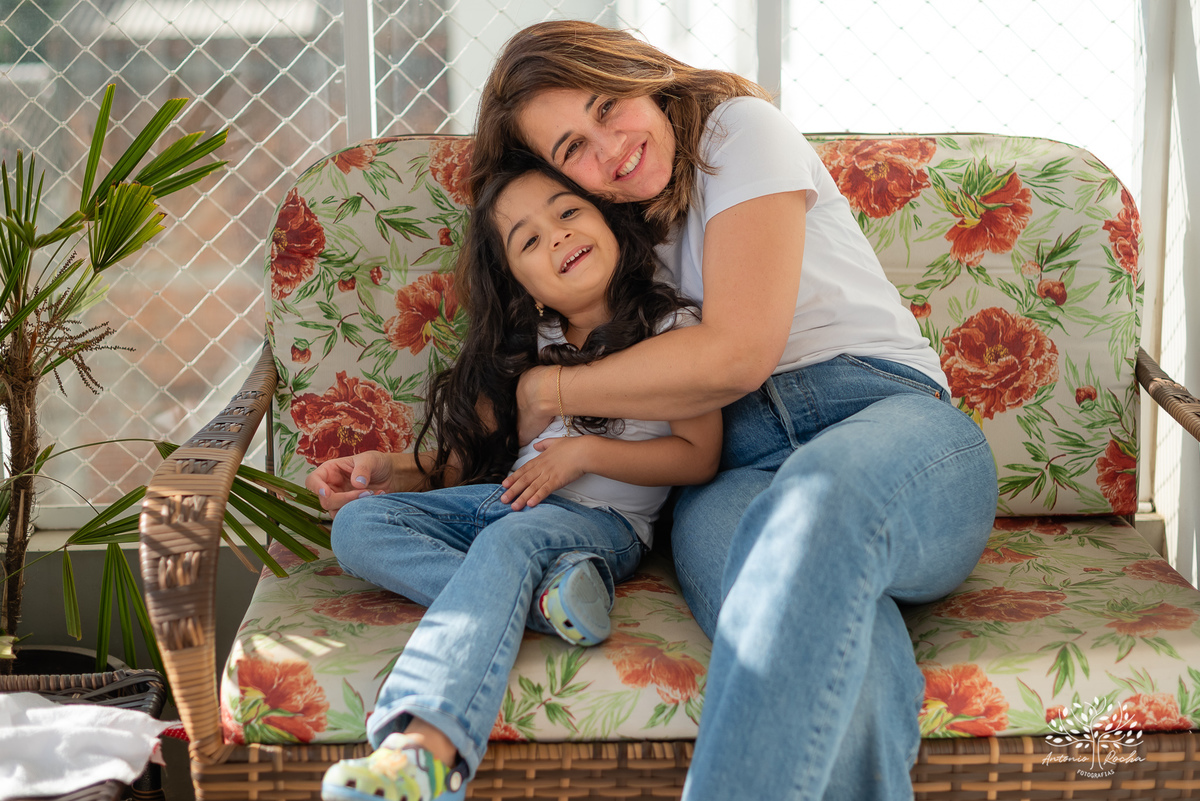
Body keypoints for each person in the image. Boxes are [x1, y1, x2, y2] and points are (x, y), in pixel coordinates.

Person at [468, 20, 1000, 801]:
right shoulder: (607, 241)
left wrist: (549, 390)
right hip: (728, 473)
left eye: (608, 107)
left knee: (817, 506)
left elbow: (738, 354)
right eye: (573, 148)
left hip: (885, 422)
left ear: (642, 74)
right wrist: (405, 467)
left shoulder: (736, 133)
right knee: (841, 655)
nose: (609, 150)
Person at [311, 154, 722, 801]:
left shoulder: (672, 327)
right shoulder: (535, 342)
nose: (557, 236)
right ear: (523, 283)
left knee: (508, 544)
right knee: (359, 524)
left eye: (568, 212)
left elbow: (698, 456)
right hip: (509, 499)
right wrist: (388, 466)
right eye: (529, 240)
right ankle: (546, 601)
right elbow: (475, 459)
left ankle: (423, 749)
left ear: (608, 221)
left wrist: (584, 453)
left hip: (602, 521)